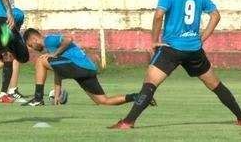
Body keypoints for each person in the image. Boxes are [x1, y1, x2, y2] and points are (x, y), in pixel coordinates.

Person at [109, 0, 241, 130]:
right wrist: (202, 37)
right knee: (216, 85)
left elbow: (159, 16)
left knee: (149, 84)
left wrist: (154, 41)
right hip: (194, 49)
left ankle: (128, 122)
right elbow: (216, 15)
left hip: (171, 48)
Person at [21, 28, 157, 107]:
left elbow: (68, 39)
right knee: (103, 102)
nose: (32, 48)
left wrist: (54, 54)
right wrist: (57, 92)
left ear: (34, 39)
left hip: (78, 67)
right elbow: (58, 69)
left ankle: (38, 98)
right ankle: (138, 96)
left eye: (30, 45)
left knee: (40, 60)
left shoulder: (49, 40)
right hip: (88, 69)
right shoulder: (50, 49)